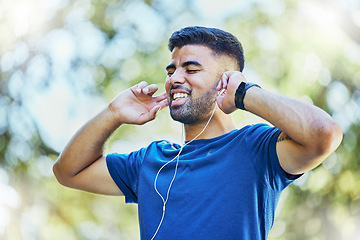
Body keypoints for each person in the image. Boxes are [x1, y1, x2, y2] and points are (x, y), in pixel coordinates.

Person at [53, 26, 343, 240]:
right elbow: (68, 172)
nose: (174, 78)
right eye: (171, 71)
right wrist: (112, 114)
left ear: (225, 81)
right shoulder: (152, 160)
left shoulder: (257, 148)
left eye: (191, 69)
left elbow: (324, 134)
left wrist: (244, 94)